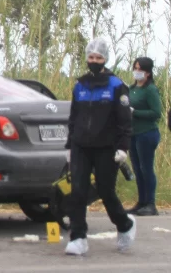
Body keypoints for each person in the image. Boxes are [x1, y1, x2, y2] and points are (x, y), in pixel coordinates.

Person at [64, 37, 136, 256]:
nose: (94, 60)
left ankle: (125, 225)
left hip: (106, 147)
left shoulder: (116, 86)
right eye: (91, 57)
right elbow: (73, 117)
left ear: (105, 59)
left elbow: (125, 120)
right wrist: (70, 145)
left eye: (98, 57)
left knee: (106, 191)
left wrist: (123, 148)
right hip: (80, 147)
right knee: (77, 191)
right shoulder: (80, 85)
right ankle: (78, 237)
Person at [127, 57, 162, 216]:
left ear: (147, 73)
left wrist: (136, 112)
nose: (137, 71)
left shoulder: (150, 90)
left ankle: (151, 203)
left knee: (146, 168)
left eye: (140, 69)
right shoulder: (132, 89)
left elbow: (156, 113)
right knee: (137, 168)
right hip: (133, 133)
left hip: (147, 133)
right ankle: (141, 202)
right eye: (135, 68)